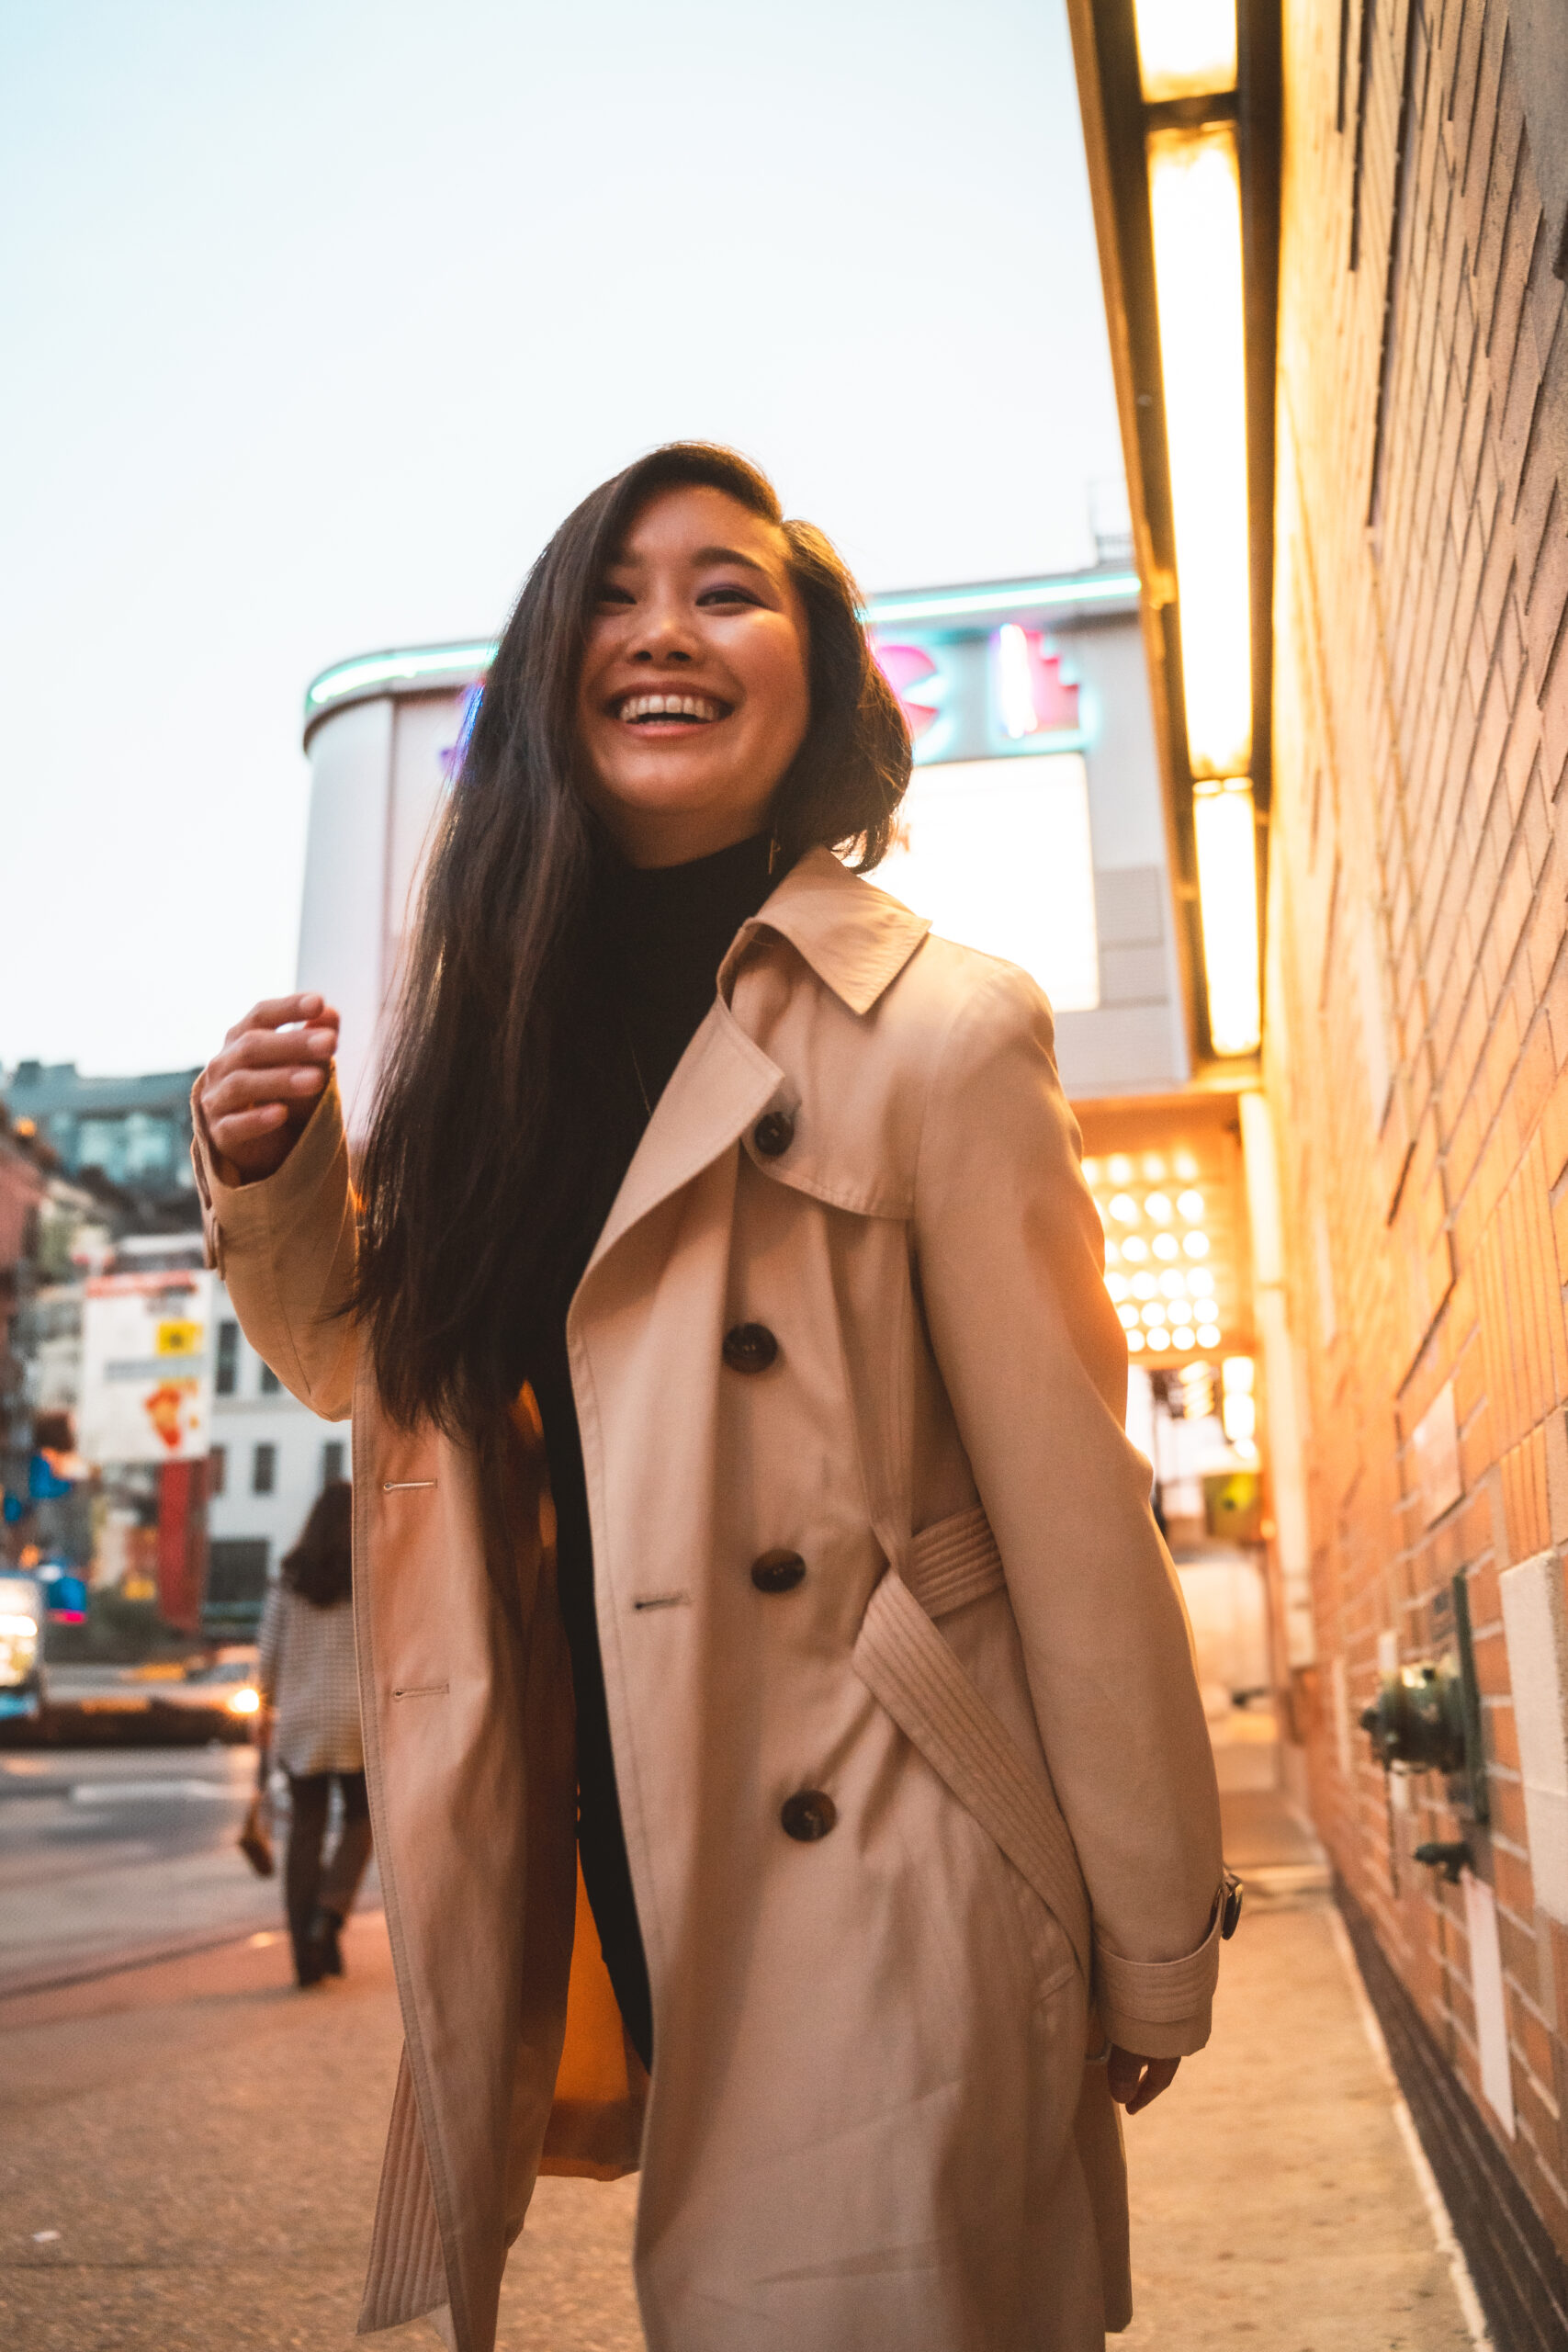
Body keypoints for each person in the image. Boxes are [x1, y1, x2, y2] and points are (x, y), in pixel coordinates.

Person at [192, 443, 1224, 2352]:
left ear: (818, 681)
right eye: (614, 587)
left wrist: (1151, 1937)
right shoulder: (494, 1045)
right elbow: (378, 1374)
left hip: (886, 1859)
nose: (665, 626)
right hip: (617, 1839)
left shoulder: (939, 1026)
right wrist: (275, 1175)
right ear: (546, 669)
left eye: (729, 588)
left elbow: (1078, 1522)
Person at [256, 1478, 371, 1986]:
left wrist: (265, 1713)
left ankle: (305, 1958)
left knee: (304, 1831)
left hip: (301, 1723)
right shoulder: (367, 1571)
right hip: (356, 1721)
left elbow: (268, 1657)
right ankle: (329, 1914)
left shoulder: (289, 1577)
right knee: (362, 1820)